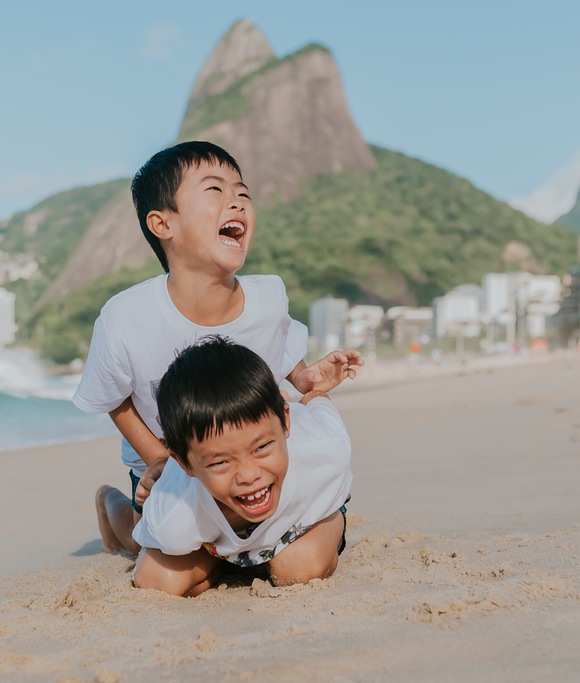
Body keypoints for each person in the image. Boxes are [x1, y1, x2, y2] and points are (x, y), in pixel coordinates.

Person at [72, 141, 363, 553]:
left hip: (253, 463)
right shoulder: (125, 318)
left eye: (242, 193)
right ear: (162, 224)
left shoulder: (268, 296)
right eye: (215, 191)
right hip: (172, 469)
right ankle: (112, 506)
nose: (237, 202)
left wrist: (305, 377)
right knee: (163, 551)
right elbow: (113, 399)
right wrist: (160, 460)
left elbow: (280, 354)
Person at [126, 337, 355, 597]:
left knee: (299, 569)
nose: (249, 475)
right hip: (214, 542)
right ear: (183, 463)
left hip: (302, 521)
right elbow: (143, 537)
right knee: (156, 582)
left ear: (286, 423)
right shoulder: (175, 513)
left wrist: (315, 392)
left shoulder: (323, 449)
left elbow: (321, 411)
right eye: (221, 462)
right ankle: (108, 502)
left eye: (262, 448)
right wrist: (144, 502)